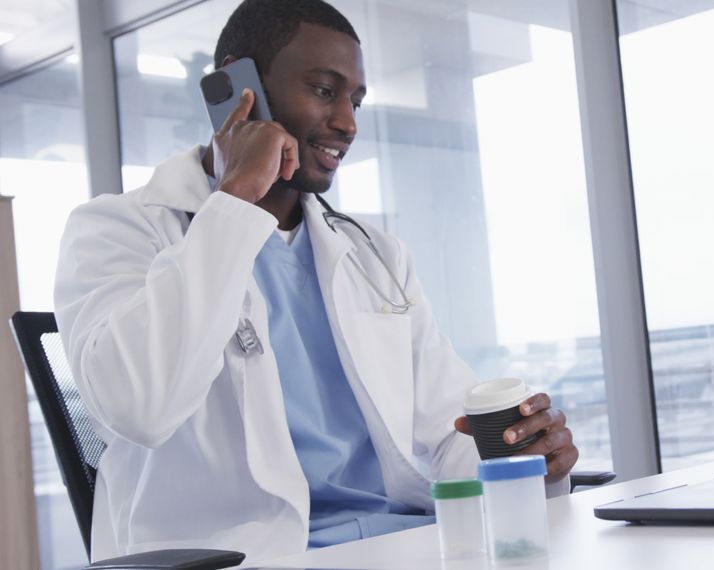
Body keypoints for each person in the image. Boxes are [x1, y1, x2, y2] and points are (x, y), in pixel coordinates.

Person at [53, 0, 578, 563]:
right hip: (248, 556)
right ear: (239, 88)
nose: (348, 123)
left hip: (410, 543)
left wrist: (522, 456)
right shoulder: (119, 228)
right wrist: (235, 200)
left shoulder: (374, 254)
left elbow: (446, 431)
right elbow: (141, 405)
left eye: (354, 100)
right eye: (325, 92)